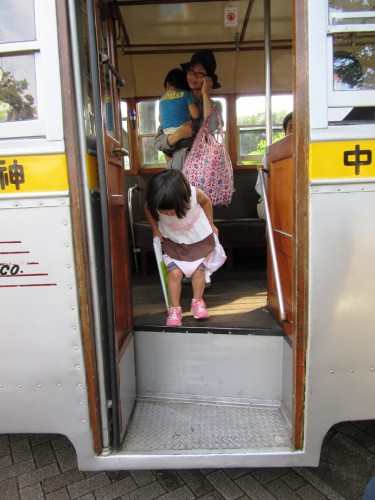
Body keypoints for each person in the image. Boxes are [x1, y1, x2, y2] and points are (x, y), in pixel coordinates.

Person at [144, 169, 226, 327]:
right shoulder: (154, 201)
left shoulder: (194, 195)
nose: (167, 213)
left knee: (198, 271)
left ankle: (197, 301)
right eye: (162, 210)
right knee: (174, 273)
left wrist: (211, 223)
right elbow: (147, 209)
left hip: (197, 238)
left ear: (182, 199)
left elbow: (207, 201)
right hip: (174, 240)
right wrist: (155, 229)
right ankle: (175, 309)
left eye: (170, 209)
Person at [154, 49, 222, 171]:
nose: (194, 77)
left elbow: (210, 128)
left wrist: (205, 94)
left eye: (200, 73)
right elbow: (159, 142)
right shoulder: (174, 103)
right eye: (191, 71)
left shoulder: (215, 105)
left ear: (208, 79)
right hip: (177, 171)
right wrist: (179, 134)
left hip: (204, 171)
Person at [255, 112, 293, 220]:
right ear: (285, 132)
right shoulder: (271, 155)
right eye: (291, 128)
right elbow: (260, 187)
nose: (295, 131)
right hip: (273, 201)